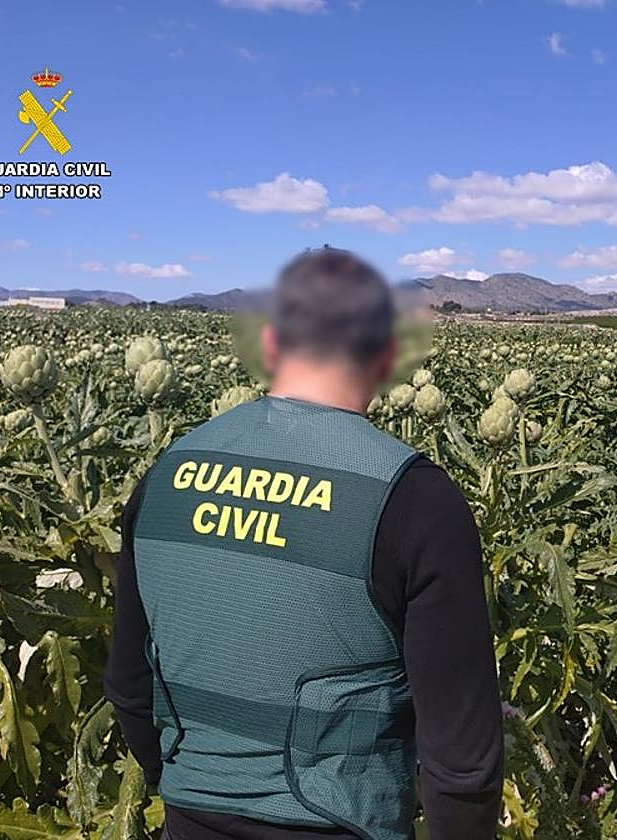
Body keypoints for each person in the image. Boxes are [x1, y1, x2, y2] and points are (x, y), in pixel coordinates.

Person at [105, 247, 504, 840]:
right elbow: (463, 763)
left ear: (270, 345)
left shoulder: (165, 474)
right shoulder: (415, 498)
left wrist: (194, 795)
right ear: (387, 353)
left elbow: (131, 689)